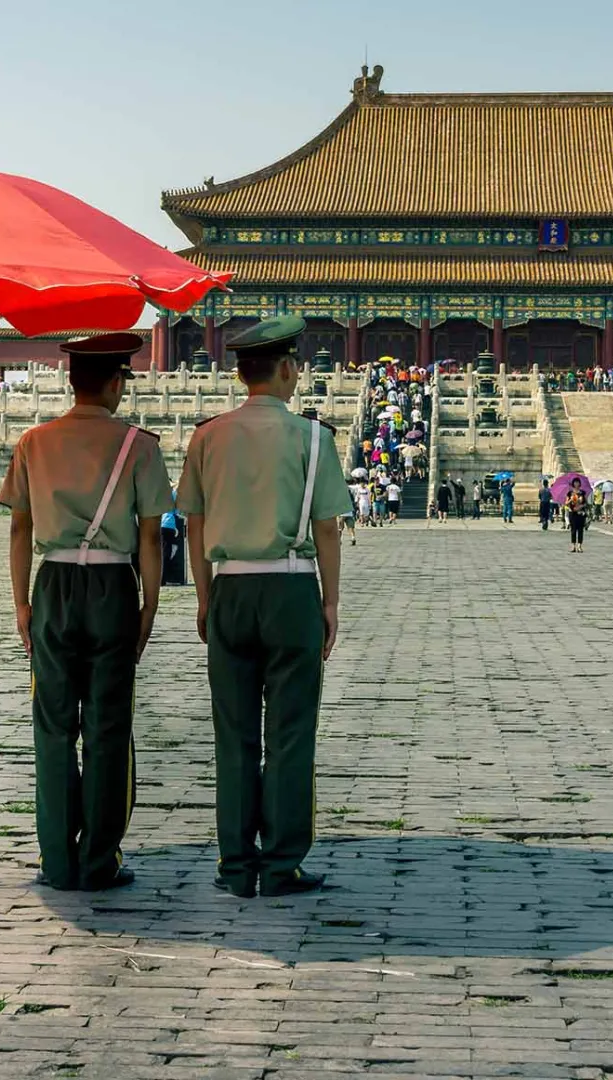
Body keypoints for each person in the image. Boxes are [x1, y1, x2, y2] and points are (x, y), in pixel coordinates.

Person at [178, 315, 349, 899]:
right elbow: (327, 527)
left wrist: (205, 598)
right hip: (291, 586)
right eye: (295, 365)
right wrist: (330, 603)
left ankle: (235, 864)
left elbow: (193, 522)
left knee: (234, 732)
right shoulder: (312, 436)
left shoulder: (207, 436)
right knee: (292, 731)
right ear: (284, 369)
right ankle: (281, 864)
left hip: (228, 587)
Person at [0, 332, 170, 892]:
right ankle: (99, 858)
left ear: (72, 381)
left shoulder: (33, 442)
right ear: (117, 382)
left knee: (52, 725)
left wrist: (22, 602)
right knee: (107, 724)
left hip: (52, 583)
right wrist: (149, 604)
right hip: (112, 584)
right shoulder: (138, 446)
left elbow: (20, 528)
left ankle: (56, 858)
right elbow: (150, 537)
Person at [565, 484, 587, 552]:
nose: (576, 484)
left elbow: (585, 503)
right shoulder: (570, 493)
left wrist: (581, 506)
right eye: (575, 482)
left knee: (580, 530)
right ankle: (573, 546)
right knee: (573, 530)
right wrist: (571, 499)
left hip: (580, 513)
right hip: (573, 513)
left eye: (577, 482)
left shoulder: (582, 493)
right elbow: (566, 503)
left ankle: (579, 546)